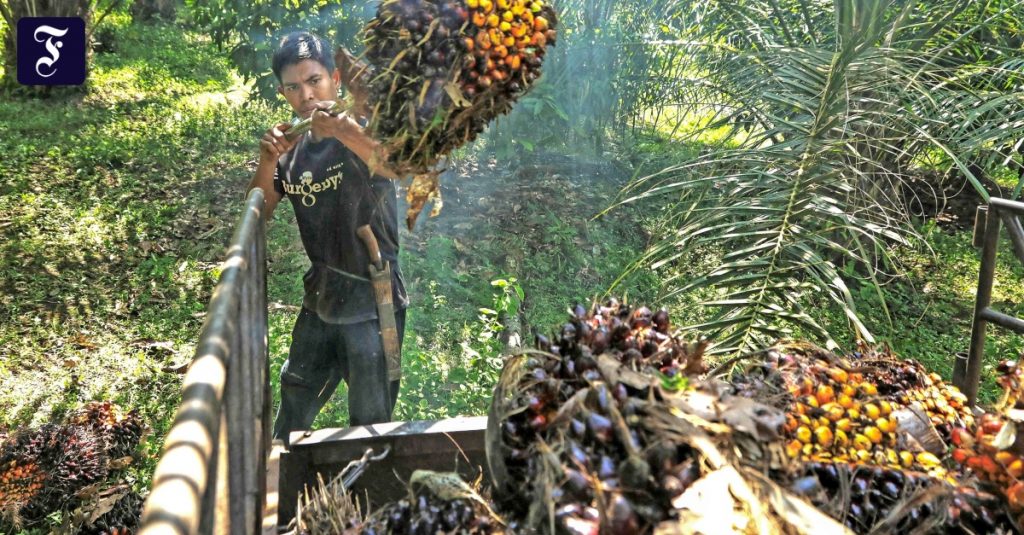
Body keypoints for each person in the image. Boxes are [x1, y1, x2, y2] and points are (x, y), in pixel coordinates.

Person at [247, 31, 408, 445]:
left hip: (375, 297)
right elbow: (260, 210)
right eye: (294, 87)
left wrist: (342, 131)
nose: (307, 95)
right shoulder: (291, 147)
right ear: (283, 93)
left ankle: (366, 496)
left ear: (335, 79)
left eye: (315, 80)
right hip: (321, 297)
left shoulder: (363, 130)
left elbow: (396, 166)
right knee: (295, 401)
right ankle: (283, 487)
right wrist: (268, 159)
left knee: (370, 422)